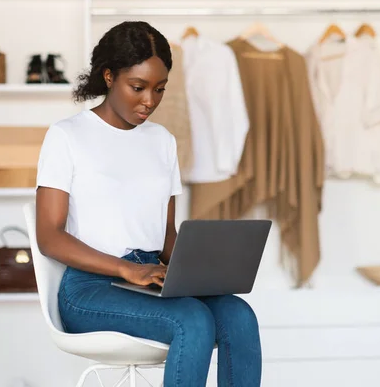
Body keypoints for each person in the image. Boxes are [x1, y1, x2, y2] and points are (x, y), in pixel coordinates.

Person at [35, 21, 262, 387]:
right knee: (191, 318)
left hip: (151, 280)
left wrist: (207, 270)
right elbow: (50, 237)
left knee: (239, 315)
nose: (149, 101)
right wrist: (125, 270)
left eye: (159, 89)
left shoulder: (162, 141)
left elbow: (166, 235)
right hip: (91, 289)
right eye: (137, 87)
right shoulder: (67, 136)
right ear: (109, 76)